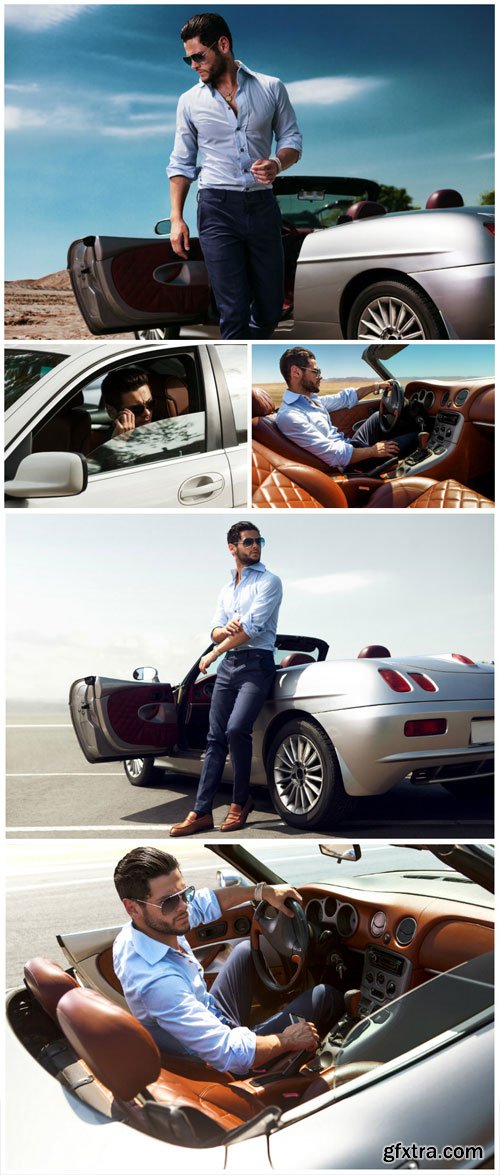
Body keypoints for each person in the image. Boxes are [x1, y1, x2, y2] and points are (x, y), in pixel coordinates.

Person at [113, 846, 343, 1073]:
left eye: (184, 894)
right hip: (211, 1061)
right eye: (170, 901)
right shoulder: (159, 984)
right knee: (325, 995)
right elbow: (229, 1054)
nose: (184, 906)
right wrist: (287, 1039)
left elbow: (204, 902)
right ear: (132, 908)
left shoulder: (140, 931)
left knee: (244, 950)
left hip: (212, 1013)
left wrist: (263, 892)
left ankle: (274, 1017)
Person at [167, 12, 302, 339]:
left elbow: (292, 141)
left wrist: (277, 164)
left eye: (198, 56)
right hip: (216, 209)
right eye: (188, 60)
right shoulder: (188, 102)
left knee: (271, 307)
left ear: (223, 45)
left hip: (262, 207)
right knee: (233, 309)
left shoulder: (271, 88)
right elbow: (182, 163)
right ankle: (238, 372)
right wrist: (176, 218)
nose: (193, 65)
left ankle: (250, 347)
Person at [171, 521, 282, 836]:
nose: (255, 546)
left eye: (259, 541)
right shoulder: (226, 589)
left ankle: (240, 802)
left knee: (236, 730)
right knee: (214, 739)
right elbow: (216, 628)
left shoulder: (270, 582)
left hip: (257, 666)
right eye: (248, 542)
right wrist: (223, 634)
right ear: (232, 548)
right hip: (230, 668)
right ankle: (201, 812)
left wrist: (213, 653)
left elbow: (252, 630)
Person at [276, 347, 419, 473]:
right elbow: (335, 455)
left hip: (349, 445)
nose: (321, 376)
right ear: (296, 372)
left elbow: (344, 398)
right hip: (350, 464)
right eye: (316, 371)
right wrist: (373, 451)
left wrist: (377, 386)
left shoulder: (310, 400)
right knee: (415, 437)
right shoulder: (290, 416)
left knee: (377, 416)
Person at [101, 367, 155, 438]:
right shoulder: (109, 444)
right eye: (137, 409)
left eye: (150, 404)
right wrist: (120, 441)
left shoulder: (164, 425)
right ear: (112, 411)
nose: (147, 413)